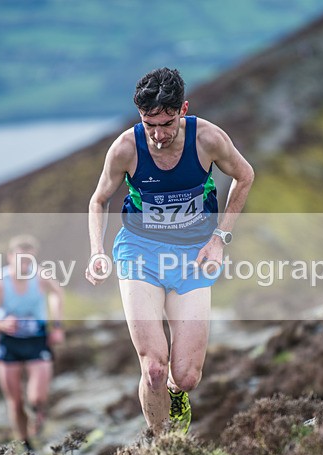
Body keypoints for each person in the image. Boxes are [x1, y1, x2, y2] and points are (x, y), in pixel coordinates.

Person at [86, 67, 254, 434]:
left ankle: (177, 394)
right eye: (150, 125)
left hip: (193, 254)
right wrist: (97, 251)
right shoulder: (126, 148)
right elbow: (98, 201)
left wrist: (219, 239)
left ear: (183, 109)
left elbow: (245, 175)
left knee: (187, 376)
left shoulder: (208, 139)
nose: (158, 135)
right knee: (154, 368)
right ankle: (161, 449)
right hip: (139, 251)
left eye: (167, 123)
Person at [0, 235, 65, 451]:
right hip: (9, 342)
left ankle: (37, 413)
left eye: (29, 260)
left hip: (37, 339)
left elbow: (57, 293)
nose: (25, 265)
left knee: (37, 397)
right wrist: (2, 324)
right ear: (10, 257)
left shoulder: (40, 277)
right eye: (21, 259)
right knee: (15, 401)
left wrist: (56, 325)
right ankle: (25, 444)